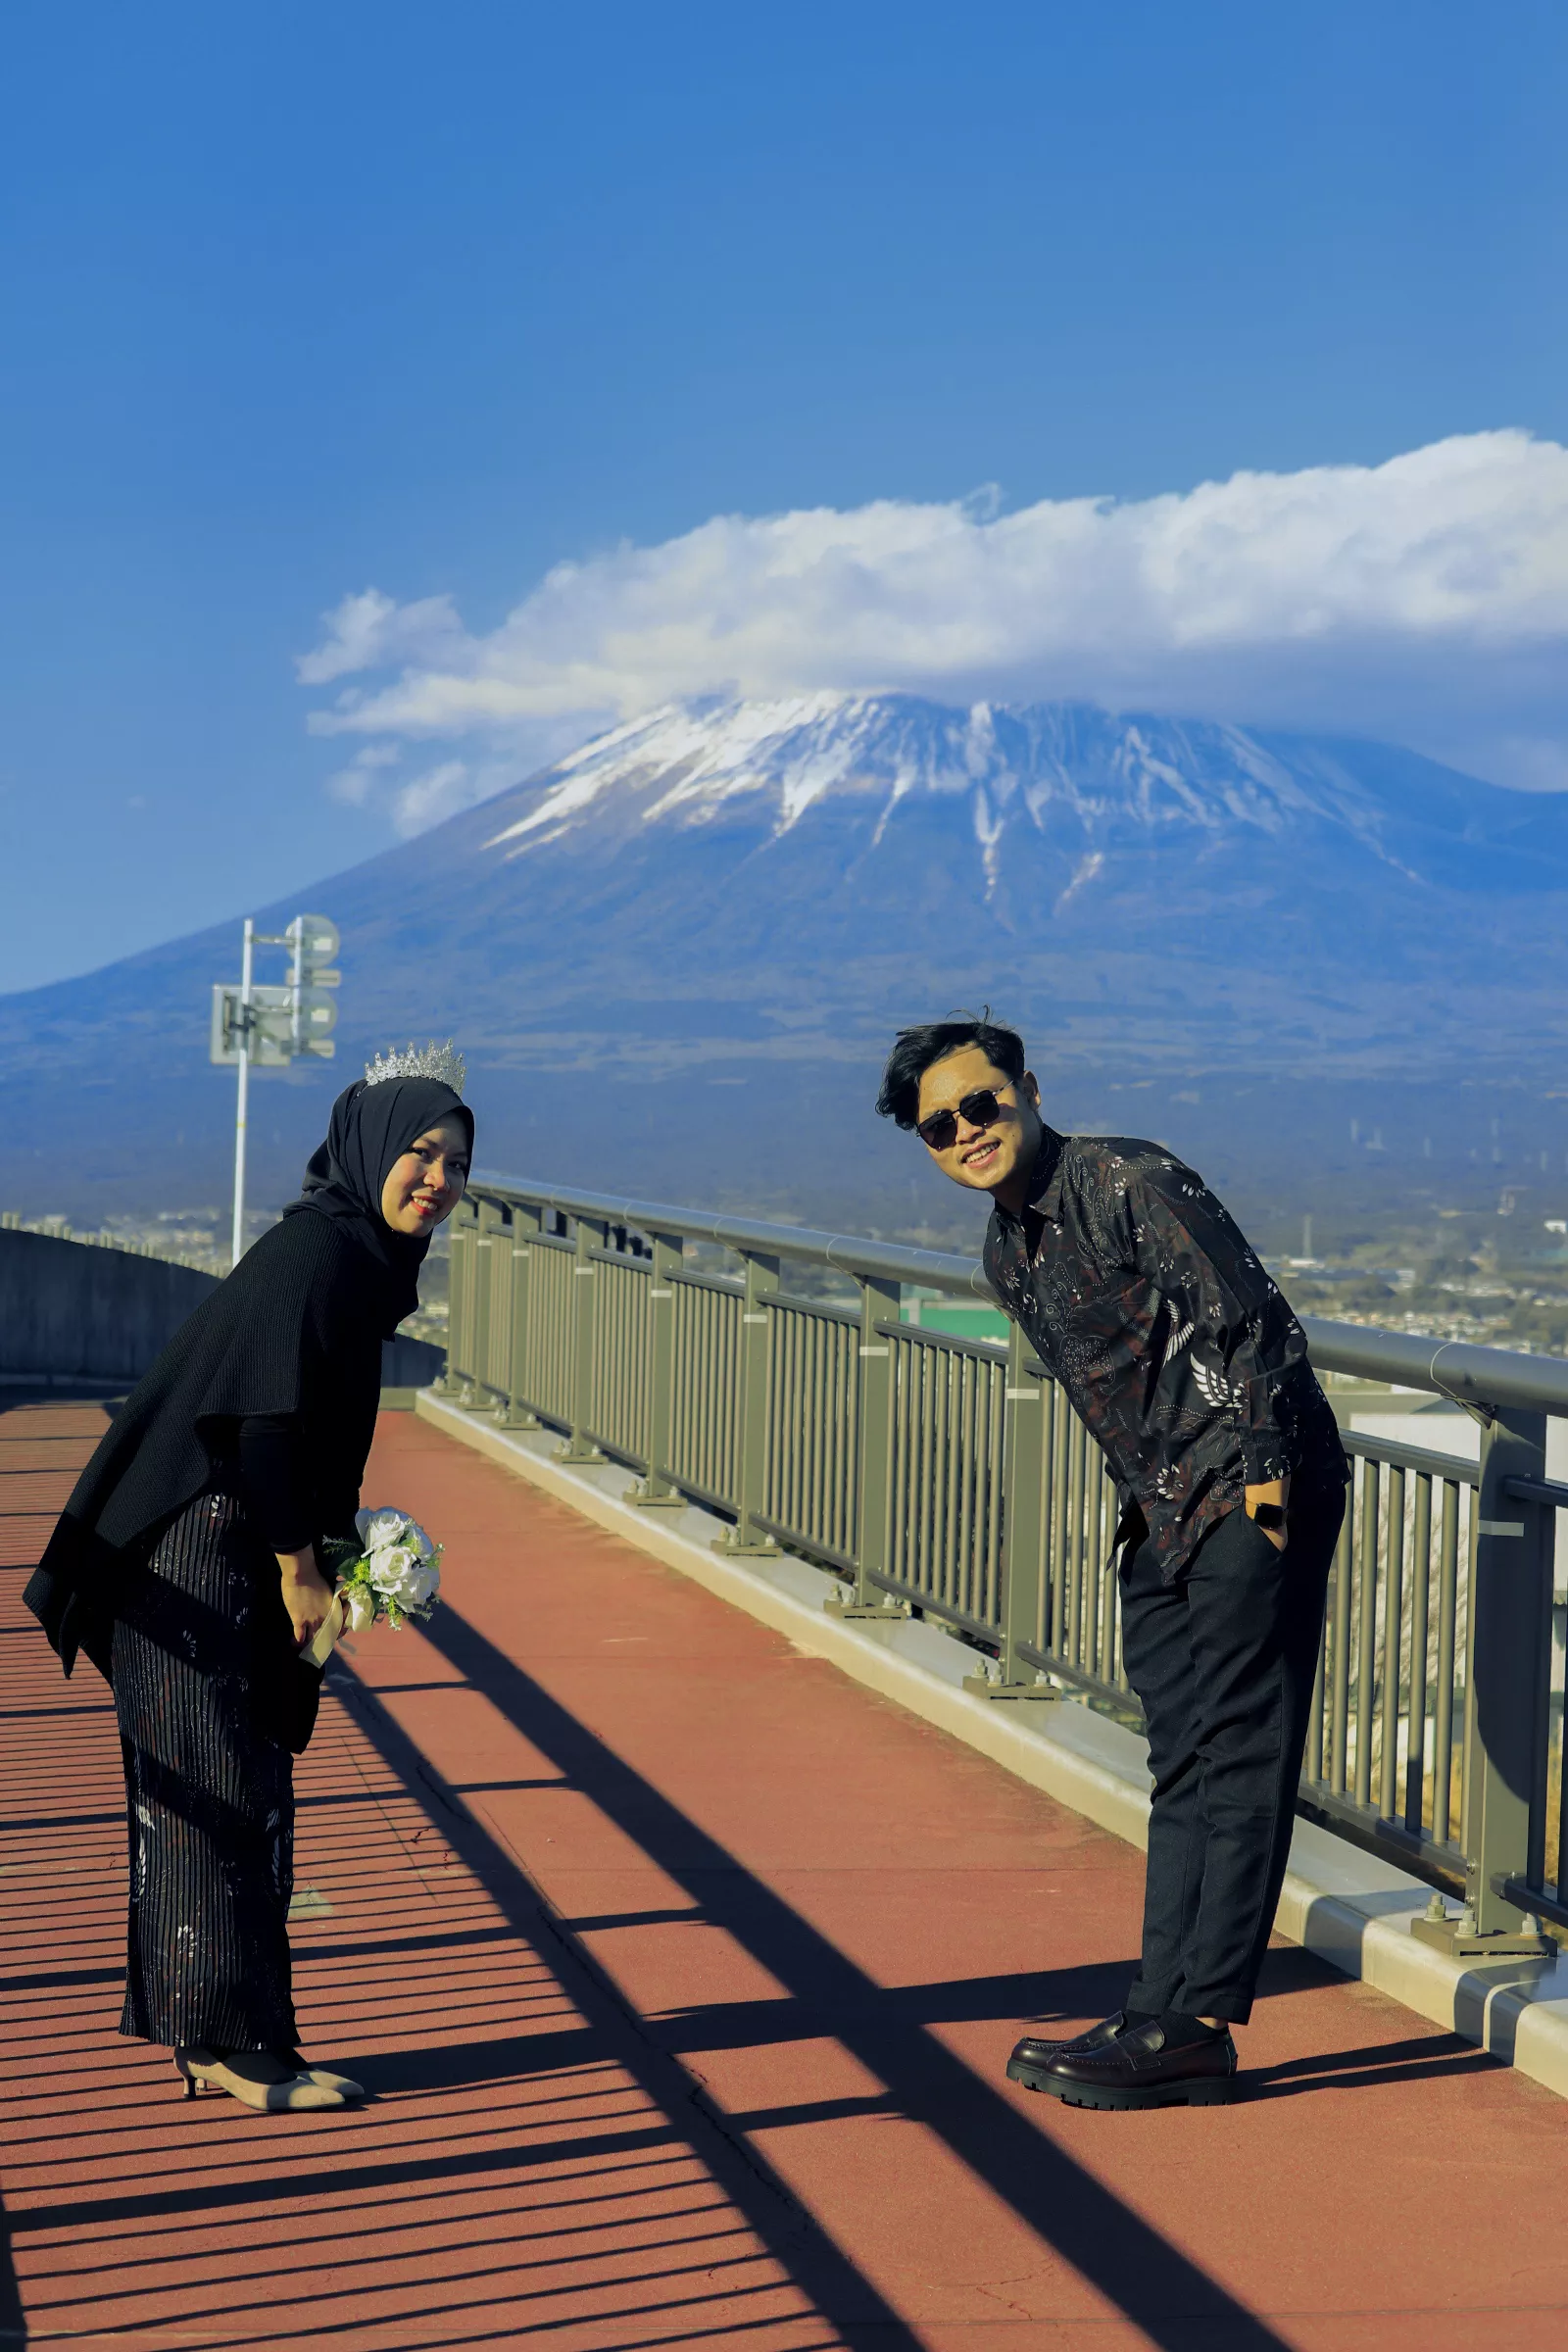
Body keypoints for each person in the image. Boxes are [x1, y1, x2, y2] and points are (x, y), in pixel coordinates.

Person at [876, 1016, 1347, 2110]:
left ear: (1029, 1090)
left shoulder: (1125, 1181)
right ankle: (1155, 2008)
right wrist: (1145, 1518)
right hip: (1161, 1513)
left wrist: (1266, 1496)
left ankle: (1198, 2025)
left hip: (1251, 1486)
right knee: (1179, 1759)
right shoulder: (1006, 1252)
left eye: (981, 1103)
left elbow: (1255, 1329)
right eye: (939, 1126)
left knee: (1240, 1747)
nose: (966, 1131)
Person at [24, 1045, 471, 2112]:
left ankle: (243, 2031)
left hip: (228, 1542)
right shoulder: (317, 1252)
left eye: (458, 1163)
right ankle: (220, 2043)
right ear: (368, 1148)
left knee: (246, 1781)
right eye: (419, 1152)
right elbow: (265, 1422)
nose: (438, 1180)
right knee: (210, 1788)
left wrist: (334, 1560)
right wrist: (301, 1573)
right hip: (189, 1551)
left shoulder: (355, 1255)